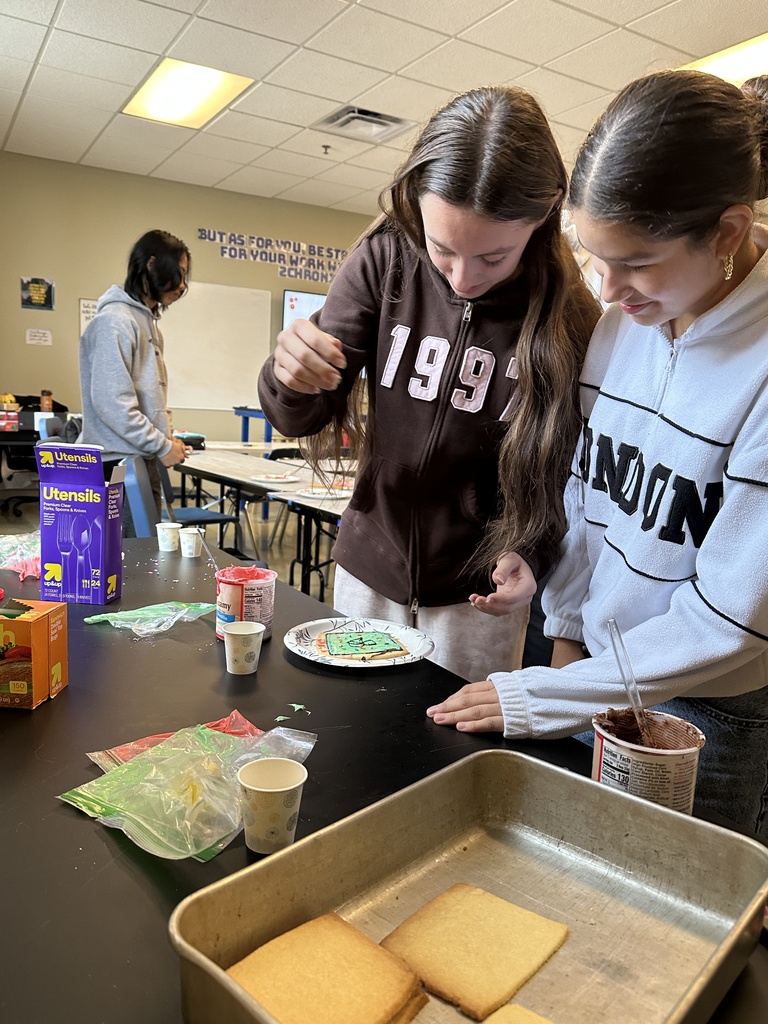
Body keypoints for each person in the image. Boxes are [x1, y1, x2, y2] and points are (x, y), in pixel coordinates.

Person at [427, 70, 768, 843]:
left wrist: (548, 696)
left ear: (726, 232)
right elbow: (590, 500)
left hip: (705, 706)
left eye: (638, 261)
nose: (608, 292)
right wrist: (565, 636)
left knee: (671, 917)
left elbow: (731, 620)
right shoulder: (628, 324)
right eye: (592, 257)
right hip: (592, 671)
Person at [258, 86, 600, 681]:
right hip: (370, 568)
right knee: (353, 738)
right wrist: (289, 375)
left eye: (494, 258)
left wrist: (535, 555)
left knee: (451, 758)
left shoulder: (570, 313)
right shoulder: (385, 254)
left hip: (479, 596)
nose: (464, 279)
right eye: (443, 250)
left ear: (543, 218)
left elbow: (571, 470)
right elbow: (299, 417)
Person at [79, 229, 192, 534]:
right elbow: (113, 404)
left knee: (140, 564)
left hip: (137, 459)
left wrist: (166, 440)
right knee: (130, 567)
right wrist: (161, 444)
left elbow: (148, 398)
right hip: (118, 467)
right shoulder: (116, 321)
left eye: (185, 276)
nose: (182, 285)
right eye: (177, 274)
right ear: (152, 265)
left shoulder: (146, 323)